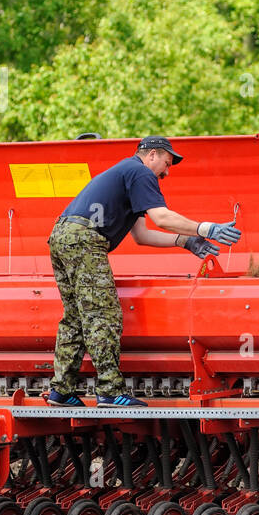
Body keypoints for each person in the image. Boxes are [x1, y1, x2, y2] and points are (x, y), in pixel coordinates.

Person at [43, 135, 241, 407]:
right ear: (151, 155)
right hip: (85, 239)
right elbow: (162, 218)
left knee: (76, 316)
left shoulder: (125, 174)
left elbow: (142, 235)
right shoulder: (140, 172)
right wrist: (207, 229)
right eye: (166, 163)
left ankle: (61, 390)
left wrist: (186, 241)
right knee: (103, 314)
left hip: (63, 235)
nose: (166, 172)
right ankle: (110, 393)